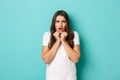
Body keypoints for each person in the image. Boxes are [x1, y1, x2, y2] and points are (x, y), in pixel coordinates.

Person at [42, 10, 81, 80]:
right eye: (57, 21)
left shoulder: (74, 35)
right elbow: (46, 60)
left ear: (67, 23)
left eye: (63, 21)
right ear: (54, 23)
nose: (60, 25)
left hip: (70, 78)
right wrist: (57, 41)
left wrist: (63, 41)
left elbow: (76, 59)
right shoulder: (47, 35)